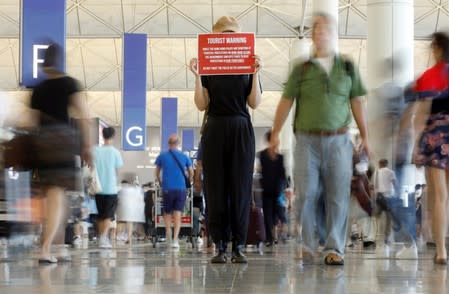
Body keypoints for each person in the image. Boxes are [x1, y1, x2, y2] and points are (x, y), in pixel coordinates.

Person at [269, 12, 369, 266]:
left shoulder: (347, 66)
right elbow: (286, 101)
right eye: (316, 29)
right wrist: (275, 134)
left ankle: (334, 248)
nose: (320, 32)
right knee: (307, 193)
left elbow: (357, 101)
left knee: (337, 195)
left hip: (339, 140)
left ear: (333, 34)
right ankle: (309, 243)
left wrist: (365, 135)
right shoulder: (301, 69)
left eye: (325, 29)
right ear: (313, 35)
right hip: (306, 141)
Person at [189, 16, 263, 263]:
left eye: (231, 34)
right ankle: (220, 243)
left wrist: (255, 74)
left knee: (241, 187)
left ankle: (239, 244)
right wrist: (198, 77)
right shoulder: (209, 65)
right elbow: (202, 105)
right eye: (222, 34)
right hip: (215, 126)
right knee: (216, 187)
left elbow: (254, 102)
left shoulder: (247, 64)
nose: (227, 39)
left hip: (241, 125)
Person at [30, 44, 91, 263]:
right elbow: (84, 116)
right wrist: (88, 146)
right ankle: (46, 248)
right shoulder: (69, 84)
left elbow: (31, 121)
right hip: (62, 142)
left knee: (55, 197)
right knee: (57, 196)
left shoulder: (38, 88)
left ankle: (57, 246)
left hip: (42, 143)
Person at [414, 32, 449, 265]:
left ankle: (441, 250)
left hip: (436, 135)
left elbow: (422, 113)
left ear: (436, 48)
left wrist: (416, 145)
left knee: (439, 196)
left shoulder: (429, 76)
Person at [155, 134, 193, 249]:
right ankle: (175, 240)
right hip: (181, 189)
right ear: (178, 143)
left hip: (167, 188)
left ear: (168, 143)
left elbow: (157, 173)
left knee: (167, 213)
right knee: (178, 213)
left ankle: (168, 234)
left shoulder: (162, 156)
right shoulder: (184, 156)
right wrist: (188, 180)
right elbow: (191, 173)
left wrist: (161, 182)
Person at [93, 127, 123, 249]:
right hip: (110, 188)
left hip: (97, 187)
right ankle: (103, 238)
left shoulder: (95, 150)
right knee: (108, 215)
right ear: (113, 136)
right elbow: (117, 171)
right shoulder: (115, 152)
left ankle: (102, 237)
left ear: (102, 135)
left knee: (100, 215)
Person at [258, 130, 287, 248]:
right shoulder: (263, 155)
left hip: (277, 191)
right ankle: (269, 238)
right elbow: (262, 171)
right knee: (267, 215)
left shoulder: (280, 157)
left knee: (278, 214)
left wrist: (283, 189)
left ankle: (277, 236)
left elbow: (283, 174)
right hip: (266, 190)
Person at [116, 179, 145, 244]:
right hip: (129, 210)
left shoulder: (120, 191)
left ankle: (122, 235)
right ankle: (127, 236)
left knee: (122, 223)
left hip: (123, 209)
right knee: (129, 223)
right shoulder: (132, 191)